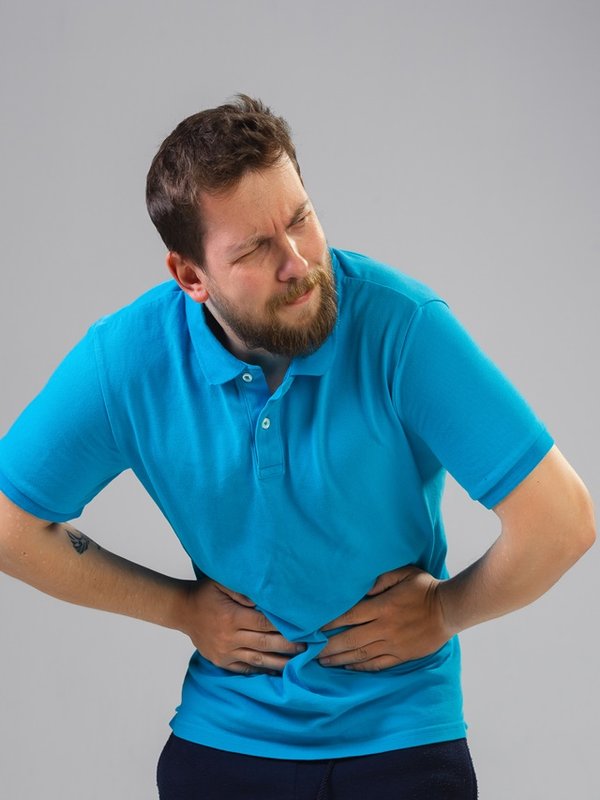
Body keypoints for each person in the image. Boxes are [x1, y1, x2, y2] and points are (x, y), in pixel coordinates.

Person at [0, 95, 595, 800]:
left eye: (301, 219)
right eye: (255, 248)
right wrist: (181, 609)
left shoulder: (400, 327)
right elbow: (11, 528)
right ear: (190, 277)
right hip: (224, 739)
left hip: (404, 736)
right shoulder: (127, 360)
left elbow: (563, 521)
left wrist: (443, 613)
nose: (298, 263)